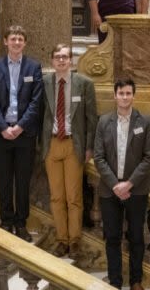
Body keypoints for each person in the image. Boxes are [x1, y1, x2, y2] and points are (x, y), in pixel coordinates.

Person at [94, 78, 150, 290]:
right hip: (109, 191)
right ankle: (115, 282)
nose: (124, 97)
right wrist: (115, 185)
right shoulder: (104, 122)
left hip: (136, 190)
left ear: (134, 96)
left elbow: (149, 158)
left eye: (128, 93)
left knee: (136, 237)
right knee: (112, 237)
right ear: (115, 95)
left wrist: (128, 184)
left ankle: (136, 281)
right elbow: (98, 157)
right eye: (121, 93)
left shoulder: (145, 122)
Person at [0, 25, 43, 241]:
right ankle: (6, 220)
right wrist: (3, 127)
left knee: (22, 180)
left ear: (25, 43)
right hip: (1, 133)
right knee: (4, 180)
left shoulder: (33, 68)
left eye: (20, 39)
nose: (17, 42)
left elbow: (36, 102)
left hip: (25, 134)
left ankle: (21, 223)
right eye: (13, 39)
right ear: (6, 42)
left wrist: (19, 127)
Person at [41, 44, 98, 259]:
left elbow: (92, 118)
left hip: (75, 144)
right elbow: (40, 115)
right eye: (57, 57)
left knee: (74, 197)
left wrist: (89, 147)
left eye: (65, 57)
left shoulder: (84, 84)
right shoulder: (45, 82)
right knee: (56, 197)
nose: (62, 61)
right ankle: (61, 240)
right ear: (52, 61)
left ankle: (74, 241)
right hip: (52, 143)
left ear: (71, 60)